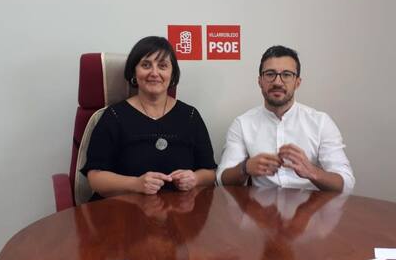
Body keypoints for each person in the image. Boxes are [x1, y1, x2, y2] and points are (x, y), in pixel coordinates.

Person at [81, 36, 217, 197]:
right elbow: (95, 178)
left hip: (178, 209)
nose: (154, 73)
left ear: (172, 74)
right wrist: (135, 184)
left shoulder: (190, 116)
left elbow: (210, 173)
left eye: (162, 66)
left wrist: (195, 178)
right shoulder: (114, 116)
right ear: (134, 71)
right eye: (146, 65)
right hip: (122, 207)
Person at [217, 45, 354, 193]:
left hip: (310, 205)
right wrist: (245, 168)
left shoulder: (321, 122)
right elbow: (221, 180)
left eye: (287, 74)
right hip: (260, 205)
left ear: (297, 82)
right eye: (270, 74)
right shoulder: (242, 124)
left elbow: (346, 184)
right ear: (260, 81)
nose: (277, 82)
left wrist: (312, 171)